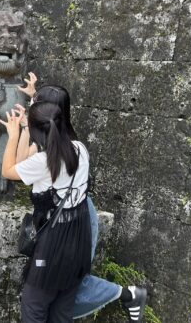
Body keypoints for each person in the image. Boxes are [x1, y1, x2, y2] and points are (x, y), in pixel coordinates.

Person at [15, 74, 148, 323]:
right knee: (67, 291)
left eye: (40, 102)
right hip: (80, 218)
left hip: (65, 225)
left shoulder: (51, 156)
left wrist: (21, 129)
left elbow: (16, 167)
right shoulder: (78, 147)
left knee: (58, 289)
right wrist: (33, 99)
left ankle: (127, 294)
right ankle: (128, 294)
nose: (36, 104)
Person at [0, 86, 92, 322]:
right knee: (63, 308)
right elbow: (25, 160)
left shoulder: (43, 162)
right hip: (79, 234)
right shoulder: (81, 149)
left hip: (54, 240)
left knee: (34, 305)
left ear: (38, 132)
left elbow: (9, 170)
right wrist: (25, 126)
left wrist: (13, 135)